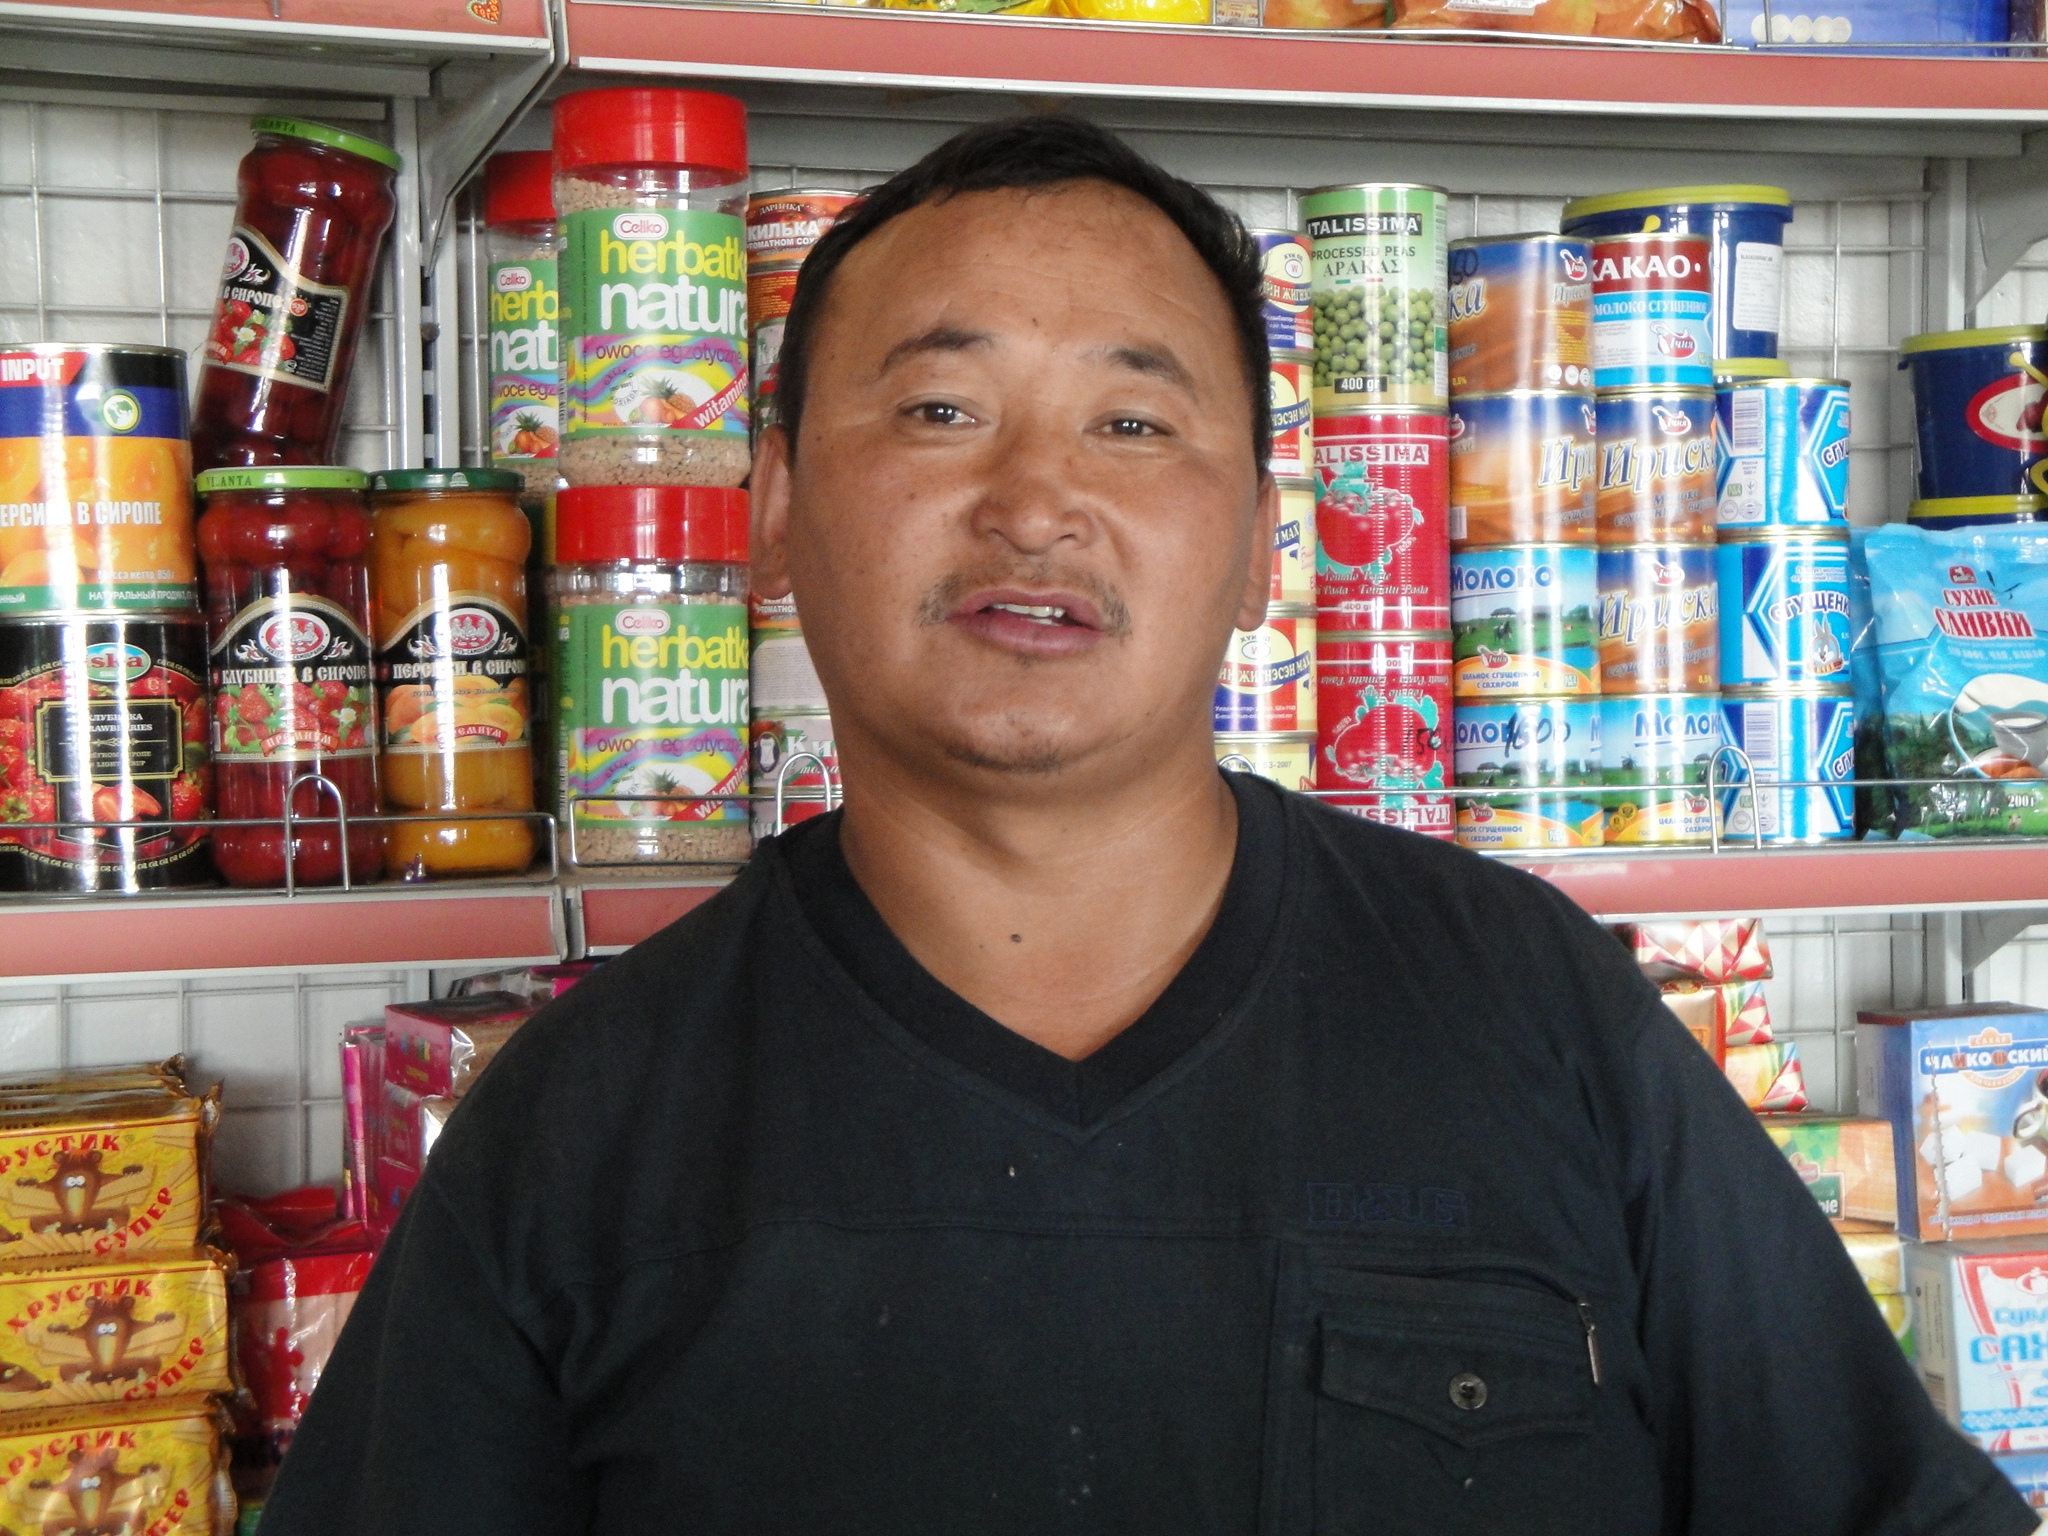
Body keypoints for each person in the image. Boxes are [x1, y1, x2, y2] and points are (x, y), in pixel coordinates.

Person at [257, 116, 2032, 1536]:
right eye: (940, 409)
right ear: (776, 505)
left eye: (1132, 419)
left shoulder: (1535, 1006)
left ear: (1263, 541)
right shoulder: (583, 1125)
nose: (1036, 502)